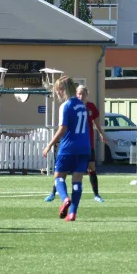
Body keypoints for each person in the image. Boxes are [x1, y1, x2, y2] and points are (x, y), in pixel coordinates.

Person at [45, 85, 107, 203]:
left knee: (91, 169)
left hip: (87, 144)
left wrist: (101, 134)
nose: (80, 96)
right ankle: (53, 193)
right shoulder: (71, 106)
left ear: (86, 95)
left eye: (83, 94)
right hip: (72, 145)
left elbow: (96, 122)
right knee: (62, 173)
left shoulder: (90, 107)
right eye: (78, 93)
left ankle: (96, 195)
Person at [43, 76, 90, 221]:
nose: (57, 94)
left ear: (62, 90)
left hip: (69, 146)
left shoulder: (66, 106)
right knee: (77, 181)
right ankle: (72, 213)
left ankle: (65, 199)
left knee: (58, 177)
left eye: (58, 91)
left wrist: (50, 144)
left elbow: (63, 128)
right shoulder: (82, 105)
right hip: (85, 147)